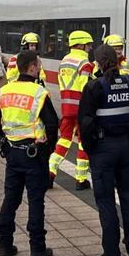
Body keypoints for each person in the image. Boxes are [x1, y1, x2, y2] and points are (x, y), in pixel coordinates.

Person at [79, 43, 129, 256]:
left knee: (106, 202)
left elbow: (85, 124)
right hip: (125, 148)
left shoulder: (94, 87)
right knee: (128, 199)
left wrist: (91, 150)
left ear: (97, 62)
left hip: (103, 149)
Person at [0, 49, 58, 256]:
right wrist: (46, 151)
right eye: (38, 65)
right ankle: (37, 249)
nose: (39, 68)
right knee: (36, 201)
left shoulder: (5, 92)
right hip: (34, 155)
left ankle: (4, 246)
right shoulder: (39, 93)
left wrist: (6, 144)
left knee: (10, 199)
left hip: (13, 155)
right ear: (31, 68)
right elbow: (51, 125)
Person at [48, 30, 94, 190]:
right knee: (83, 143)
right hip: (81, 109)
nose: (90, 48)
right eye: (88, 45)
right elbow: (85, 88)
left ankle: (50, 171)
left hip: (67, 108)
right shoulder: (85, 63)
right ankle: (80, 179)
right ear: (81, 45)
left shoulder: (64, 61)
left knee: (64, 140)